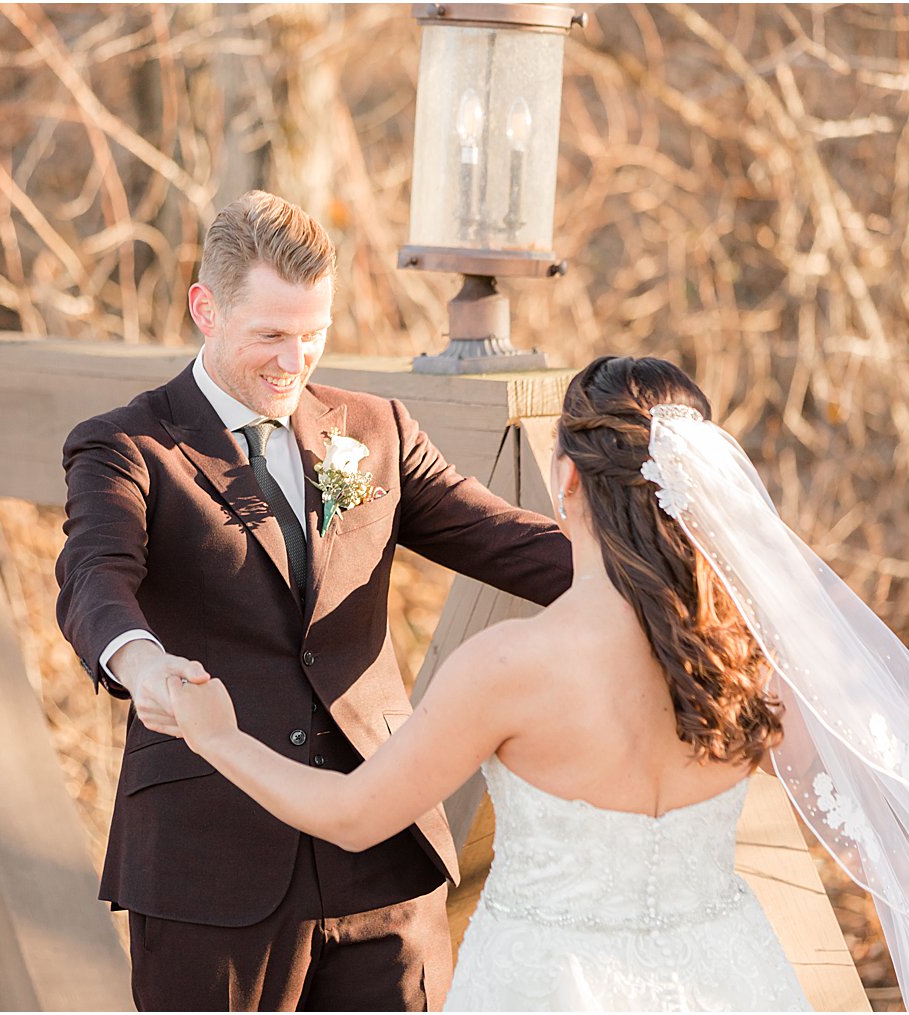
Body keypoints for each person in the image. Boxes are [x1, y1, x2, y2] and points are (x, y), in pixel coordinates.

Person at [172, 355, 909, 1012]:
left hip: (549, 984)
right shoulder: (747, 664)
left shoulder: (508, 669)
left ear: (565, 483)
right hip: (732, 978)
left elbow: (356, 813)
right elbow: (876, 828)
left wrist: (218, 736)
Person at [54, 190, 573, 1011]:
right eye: (270, 335)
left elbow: (512, 542)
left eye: (313, 334)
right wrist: (142, 664)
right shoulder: (127, 446)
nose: (295, 361)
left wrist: (661, 576)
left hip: (385, 858)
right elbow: (94, 578)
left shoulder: (374, 429)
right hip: (211, 868)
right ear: (205, 309)